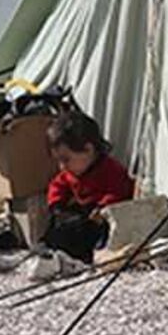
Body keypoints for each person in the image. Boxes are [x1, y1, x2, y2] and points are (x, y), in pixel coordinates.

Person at [41, 110, 136, 263]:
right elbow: (57, 185)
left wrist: (103, 207)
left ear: (88, 149)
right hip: (83, 214)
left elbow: (119, 190)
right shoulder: (71, 172)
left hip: (100, 217)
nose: (62, 166)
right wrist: (57, 204)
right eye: (59, 161)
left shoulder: (110, 169)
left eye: (66, 159)